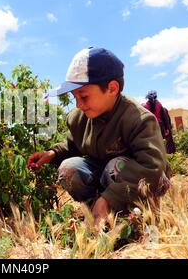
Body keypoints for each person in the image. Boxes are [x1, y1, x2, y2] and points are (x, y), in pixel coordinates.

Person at [27, 47, 171, 227]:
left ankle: (135, 218)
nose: (79, 104)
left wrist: (109, 198)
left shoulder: (139, 119)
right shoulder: (79, 117)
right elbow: (73, 145)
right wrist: (52, 153)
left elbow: (151, 166)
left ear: (112, 88)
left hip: (137, 181)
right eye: (75, 97)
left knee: (116, 166)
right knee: (68, 169)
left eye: (84, 96)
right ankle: (98, 216)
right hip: (104, 176)